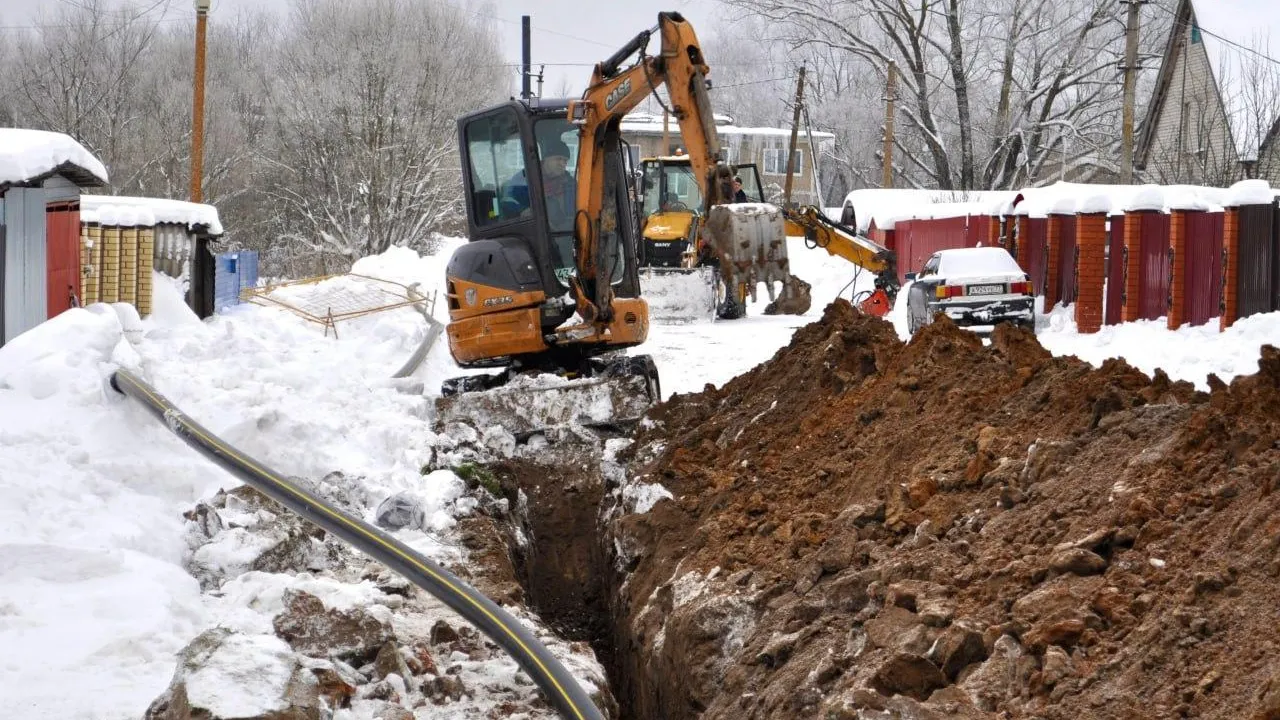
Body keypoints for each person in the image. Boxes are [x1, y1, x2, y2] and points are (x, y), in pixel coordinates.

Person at [539, 137, 575, 233]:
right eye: (558, 159)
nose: (562, 164)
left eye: (565, 161)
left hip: (563, 234)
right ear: (546, 158)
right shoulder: (526, 180)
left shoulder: (571, 185)